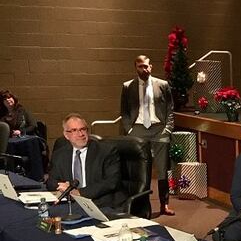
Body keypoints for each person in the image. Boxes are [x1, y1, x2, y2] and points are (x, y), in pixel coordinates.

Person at [120, 55, 175, 216]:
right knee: (141, 169)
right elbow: (123, 111)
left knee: (163, 169)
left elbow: (170, 109)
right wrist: (129, 129)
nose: (144, 69)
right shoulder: (128, 86)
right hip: (137, 129)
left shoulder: (163, 85)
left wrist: (168, 129)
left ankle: (164, 205)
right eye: (140, 66)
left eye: (146, 66)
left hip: (159, 129)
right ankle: (142, 206)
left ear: (151, 67)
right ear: (135, 68)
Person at [47, 113, 120, 208]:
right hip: (71, 203)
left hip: (98, 202)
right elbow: (51, 180)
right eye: (74, 130)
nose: (81, 134)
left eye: (83, 129)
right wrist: (64, 188)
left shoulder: (106, 151)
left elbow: (111, 182)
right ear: (66, 135)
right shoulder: (60, 154)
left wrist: (79, 192)